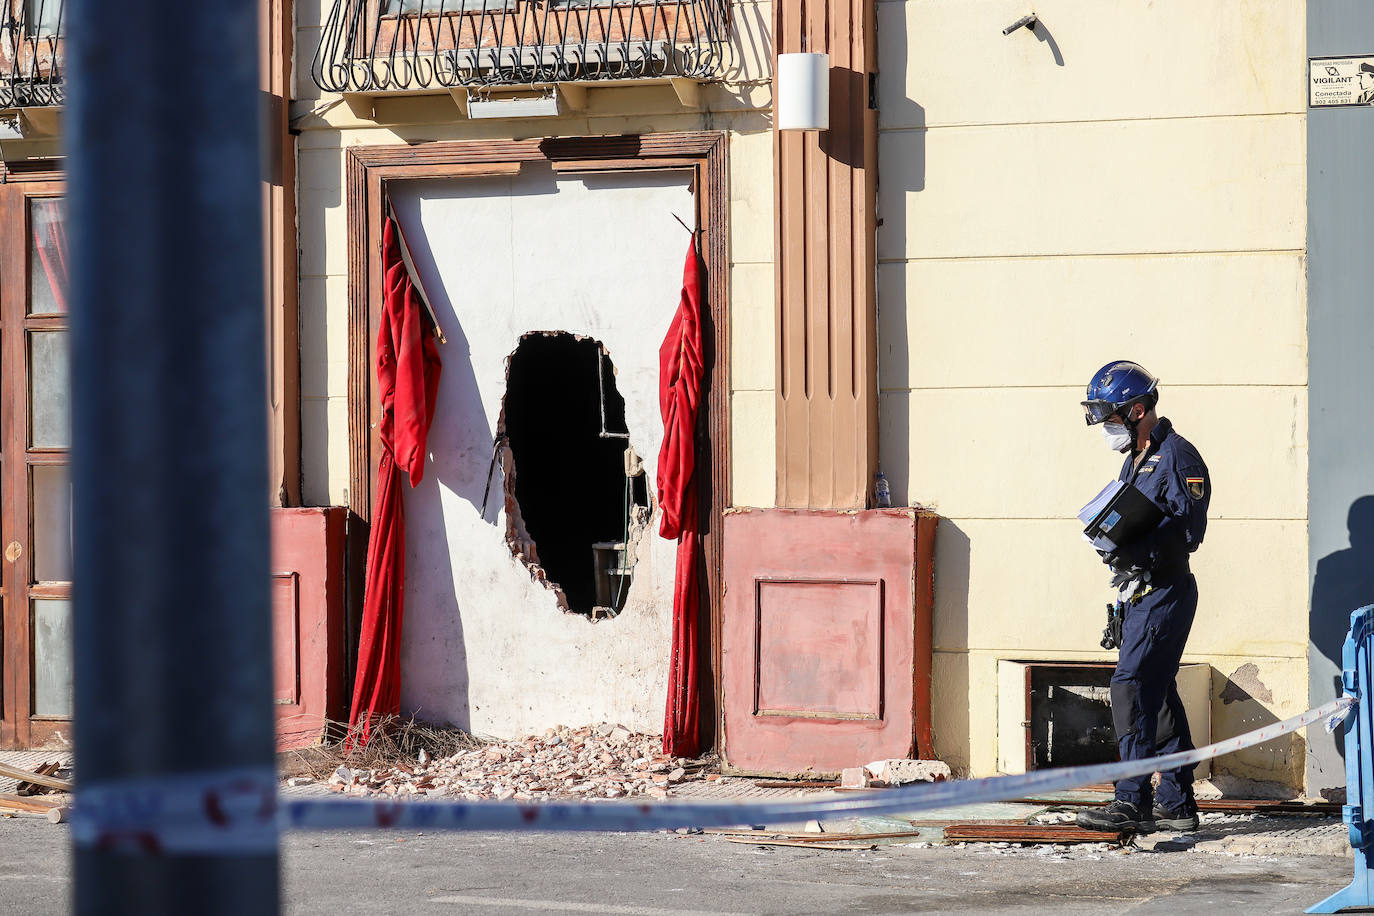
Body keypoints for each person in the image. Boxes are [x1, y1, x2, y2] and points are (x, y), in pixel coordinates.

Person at [1076, 361, 1211, 833]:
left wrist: (1140, 543)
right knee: (1157, 692)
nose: (1105, 427)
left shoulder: (1178, 457)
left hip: (1166, 591)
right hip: (1141, 592)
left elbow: (1190, 531)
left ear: (1137, 409)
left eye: (1109, 417)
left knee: (1130, 688)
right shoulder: (1134, 457)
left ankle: (1132, 800)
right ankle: (1177, 804)